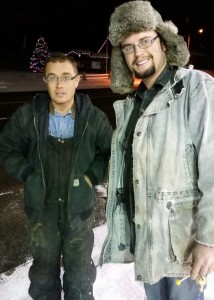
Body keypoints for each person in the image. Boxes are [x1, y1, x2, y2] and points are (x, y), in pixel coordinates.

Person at [99, 1, 214, 300]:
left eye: (145, 41)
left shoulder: (195, 88)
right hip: (148, 243)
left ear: (163, 41)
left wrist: (209, 239)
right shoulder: (134, 104)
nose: (138, 53)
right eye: (128, 47)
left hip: (184, 246)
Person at [0, 52, 113, 300]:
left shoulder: (93, 119)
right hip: (42, 211)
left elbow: (112, 152)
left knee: (79, 273)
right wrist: (28, 173)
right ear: (45, 81)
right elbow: (5, 147)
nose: (59, 84)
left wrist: (91, 176)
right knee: (42, 273)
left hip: (79, 211)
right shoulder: (28, 116)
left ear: (77, 80)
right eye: (52, 77)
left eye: (66, 77)